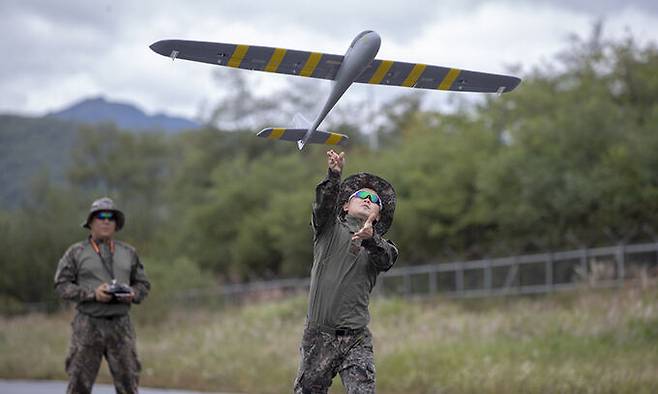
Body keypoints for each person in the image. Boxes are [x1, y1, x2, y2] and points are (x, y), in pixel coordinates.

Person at [294, 150, 399, 394]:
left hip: (356, 339)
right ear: (345, 205)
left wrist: (371, 237)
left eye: (374, 201)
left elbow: (385, 259)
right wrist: (333, 176)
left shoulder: (384, 247)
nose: (367, 199)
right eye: (360, 195)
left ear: (378, 214)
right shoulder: (327, 230)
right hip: (319, 336)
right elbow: (322, 207)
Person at [54, 197, 151, 394]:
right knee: (79, 386)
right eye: (101, 216)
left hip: (121, 326)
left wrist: (132, 294)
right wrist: (92, 294)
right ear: (90, 222)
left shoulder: (128, 252)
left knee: (128, 385)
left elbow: (143, 284)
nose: (106, 221)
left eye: (111, 217)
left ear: (116, 224)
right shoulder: (76, 252)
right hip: (88, 325)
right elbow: (61, 285)